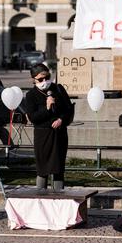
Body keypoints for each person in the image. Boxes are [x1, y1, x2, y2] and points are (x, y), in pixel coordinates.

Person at [25, 63, 73, 191]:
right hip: (43, 136)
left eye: (47, 77)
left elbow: (68, 108)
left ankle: (59, 197)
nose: (44, 81)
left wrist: (61, 119)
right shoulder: (31, 95)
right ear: (33, 80)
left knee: (58, 168)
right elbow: (33, 117)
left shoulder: (58, 89)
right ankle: (41, 197)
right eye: (40, 79)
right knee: (43, 169)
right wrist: (47, 108)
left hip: (59, 134)